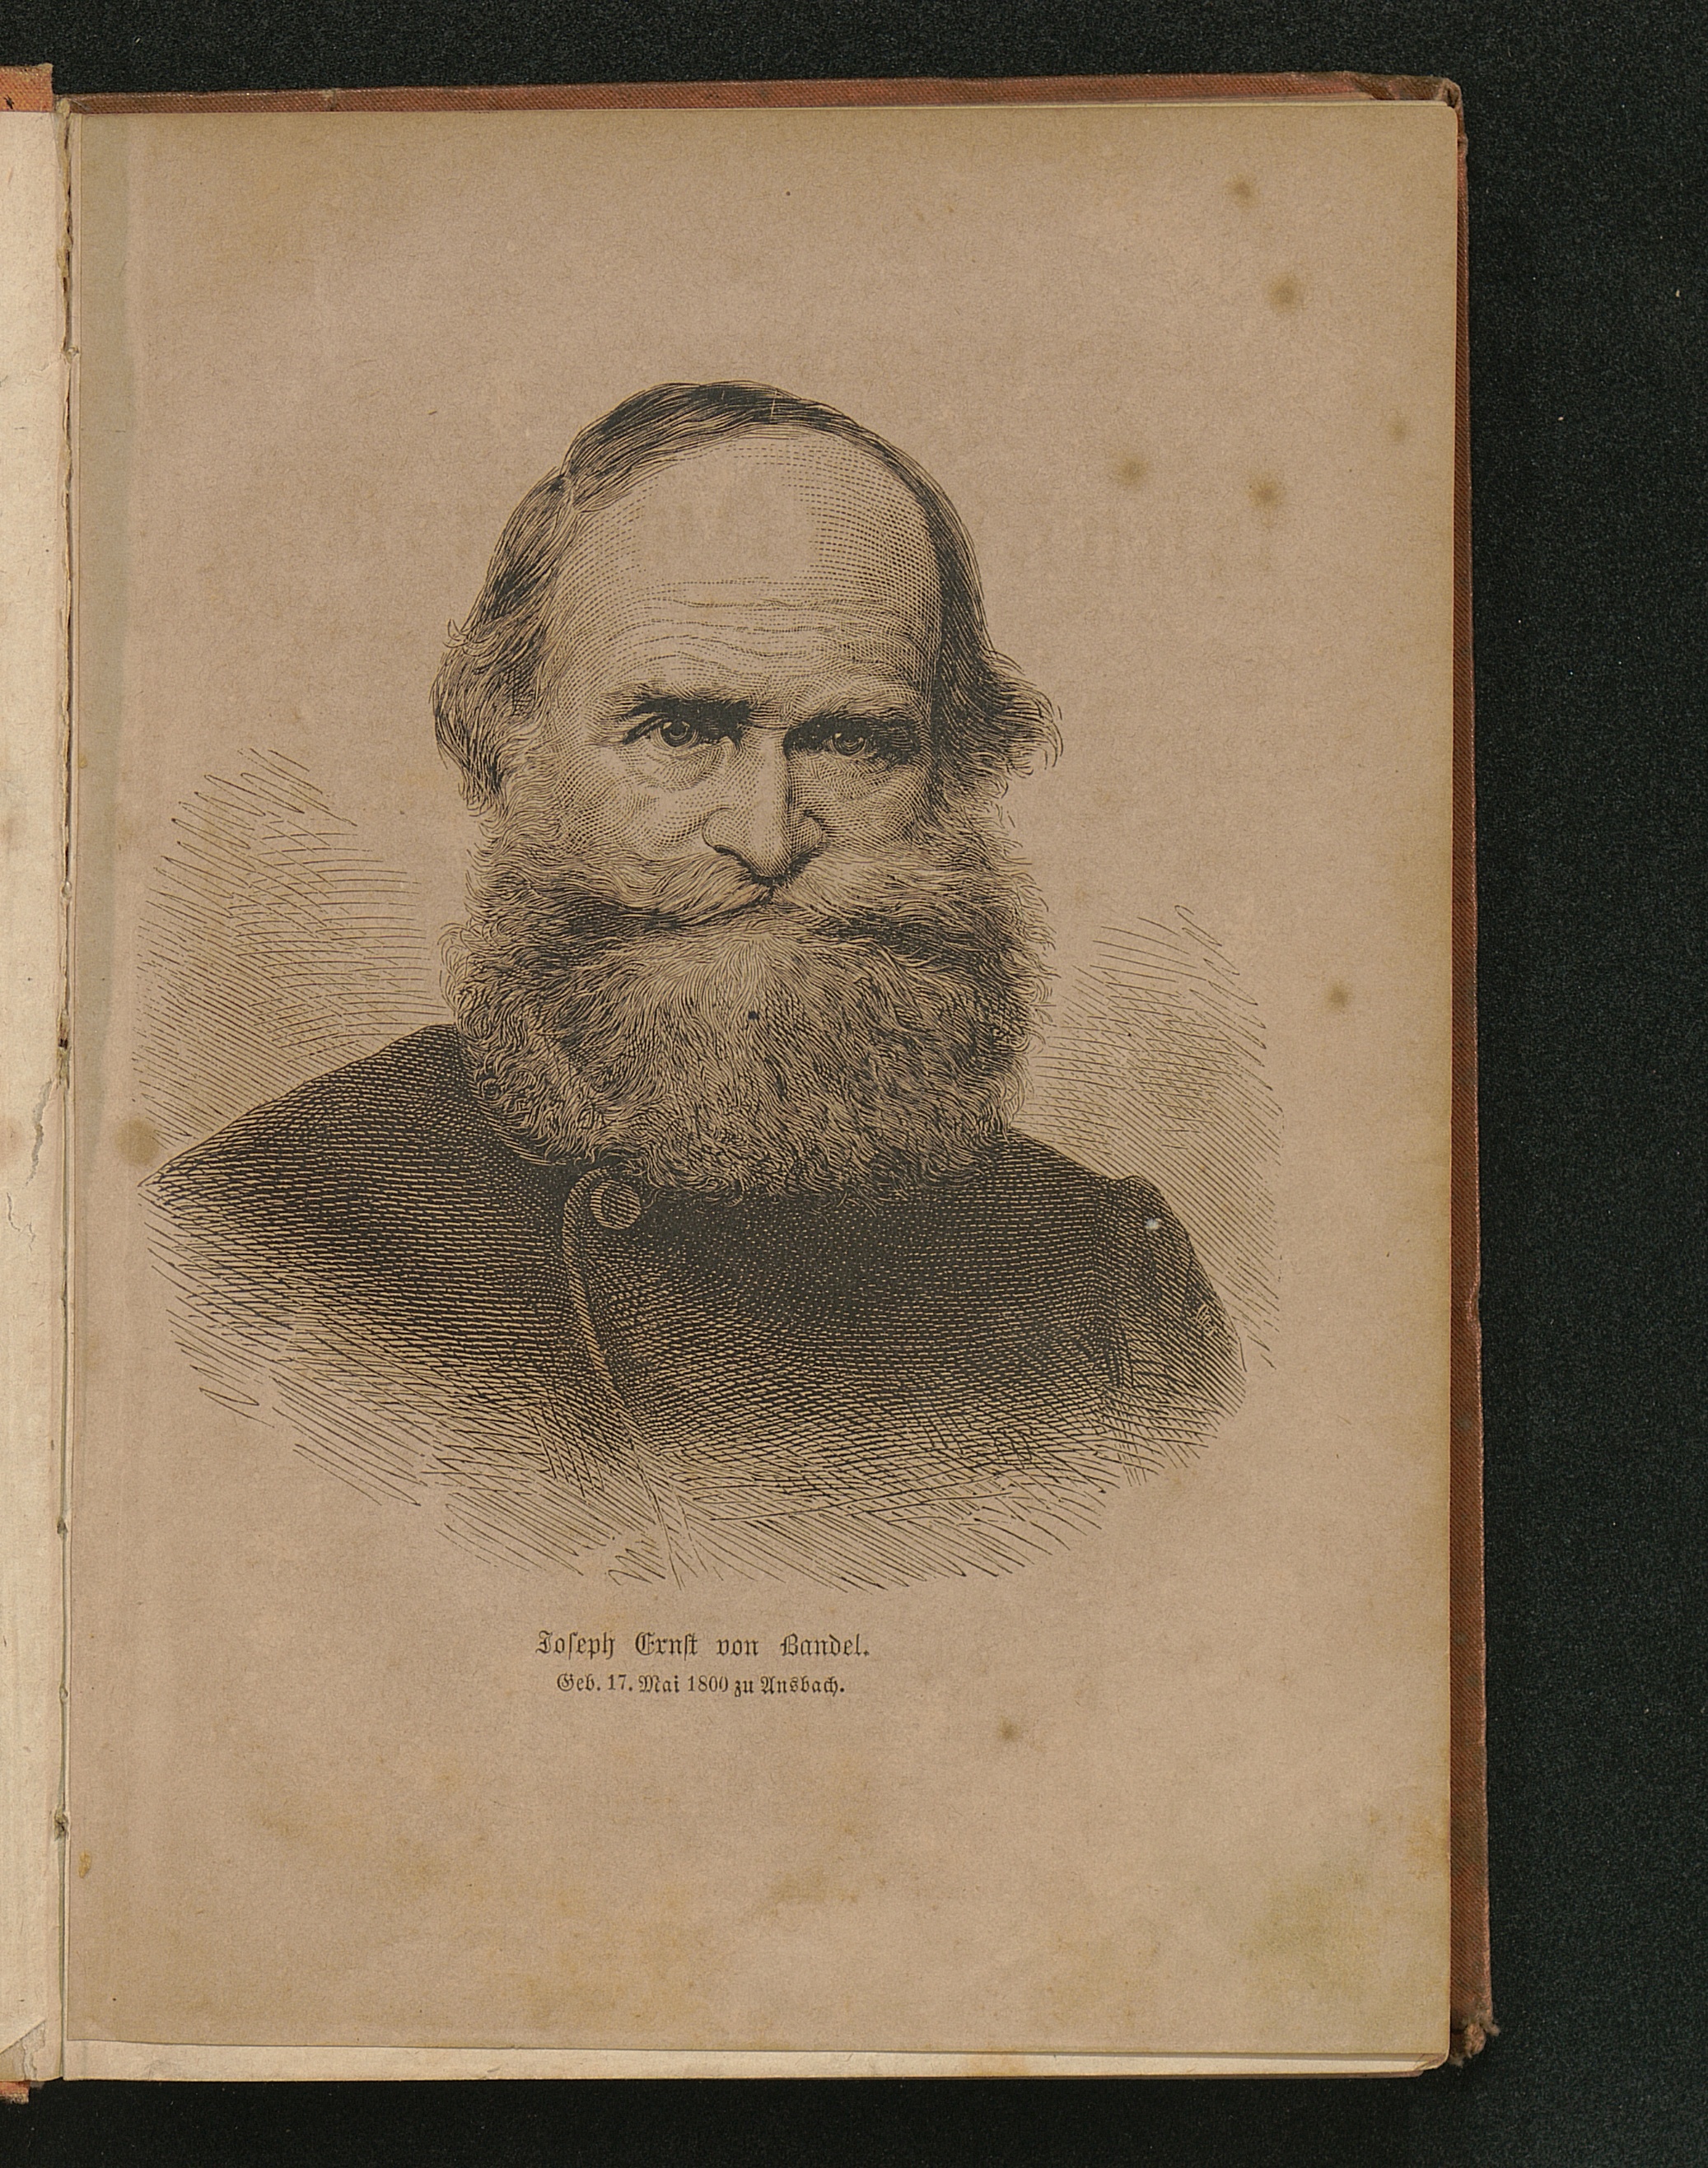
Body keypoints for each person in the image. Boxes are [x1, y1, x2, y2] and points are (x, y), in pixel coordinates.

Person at [150, 380, 1240, 1586]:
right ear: (510, 743)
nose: (766, 837)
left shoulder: (1104, 1290)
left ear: (951, 769)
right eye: (677, 732)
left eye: (852, 740)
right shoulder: (243, 1242)